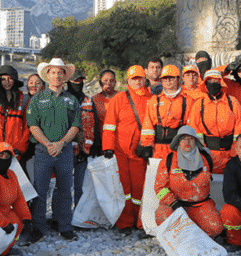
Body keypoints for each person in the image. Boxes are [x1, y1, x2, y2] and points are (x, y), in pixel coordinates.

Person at [26, 58, 82, 242]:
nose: (57, 75)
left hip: (64, 151)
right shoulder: (37, 99)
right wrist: (49, 144)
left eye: (60, 72)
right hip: (43, 151)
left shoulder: (72, 100)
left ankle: (64, 225)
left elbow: (75, 126)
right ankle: (39, 228)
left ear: (65, 76)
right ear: (47, 75)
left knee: (65, 189)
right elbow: (33, 125)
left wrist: (61, 144)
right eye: (53, 72)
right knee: (40, 190)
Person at [101, 65, 153, 233]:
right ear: (128, 80)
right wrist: (108, 148)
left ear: (145, 79)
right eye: (133, 78)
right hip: (121, 153)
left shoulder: (152, 99)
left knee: (140, 188)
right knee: (124, 189)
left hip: (140, 154)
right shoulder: (119, 98)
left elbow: (154, 125)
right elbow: (109, 125)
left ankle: (140, 222)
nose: (137, 81)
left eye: (140, 78)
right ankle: (124, 223)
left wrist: (149, 146)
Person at [153, 126, 223, 237]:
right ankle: (178, 238)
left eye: (191, 138)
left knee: (215, 228)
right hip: (174, 206)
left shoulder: (207, 158)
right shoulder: (168, 160)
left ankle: (196, 237)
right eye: (183, 138)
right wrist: (173, 204)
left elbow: (227, 166)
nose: (187, 141)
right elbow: (160, 188)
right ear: (178, 142)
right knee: (163, 215)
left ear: (196, 141)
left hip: (200, 205)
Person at [186, 68, 241, 174]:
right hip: (207, 155)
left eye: (216, 81)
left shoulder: (233, 102)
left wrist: (235, 153)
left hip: (230, 155)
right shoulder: (199, 105)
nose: (213, 84)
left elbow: (240, 129)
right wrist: (201, 154)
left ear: (221, 83)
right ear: (205, 84)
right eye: (210, 81)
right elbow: (193, 131)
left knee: (230, 186)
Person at [140, 64, 190, 162]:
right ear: (161, 80)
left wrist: (188, 146)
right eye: (165, 78)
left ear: (178, 79)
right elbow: (148, 125)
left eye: (171, 78)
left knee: (178, 176)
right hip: (158, 149)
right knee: (157, 176)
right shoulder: (155, 99)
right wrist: (147, 145)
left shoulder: (188, 100)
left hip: (179, 148)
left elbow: (191, 126)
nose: (168, 81)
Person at [67, 69, 97, 206]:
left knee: (81, 187)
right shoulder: (62, 99)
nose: (78, 83)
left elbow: (94, 125)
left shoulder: (89, 101)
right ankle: (62, 217)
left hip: (83, 153)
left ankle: (78, 217)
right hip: (65, 151)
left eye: (80, 81)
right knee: (63, 187)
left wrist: (90, 149)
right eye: (75, 81)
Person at [0, 65, 31, 160]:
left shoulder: (24, 99)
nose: (6, 82)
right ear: (0, 81)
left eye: (10, 79)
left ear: (15, 80)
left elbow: (28, 127)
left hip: (16, 152)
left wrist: (20, 148)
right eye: (3, 79)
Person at [92, 68, 118, 133]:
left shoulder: (122, 97)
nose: (108, 83)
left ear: (115, 82)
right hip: (101, 138)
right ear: (100, 83)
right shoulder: (94, 100)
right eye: (105, 80)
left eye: (111, 80)